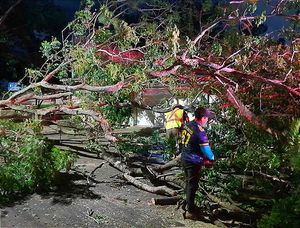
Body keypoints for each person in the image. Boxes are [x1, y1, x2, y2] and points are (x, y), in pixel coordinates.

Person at [181, 107, 215, 220]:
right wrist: (212, 159)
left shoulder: (188, 125)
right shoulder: (200, 131)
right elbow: (207, 150)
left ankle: (187, 204)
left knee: (188, 183)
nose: (208, 121)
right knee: (192, 186)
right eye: (207, 118)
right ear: (204, 118)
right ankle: (190, 211)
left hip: (185, 157)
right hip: (193, 161)